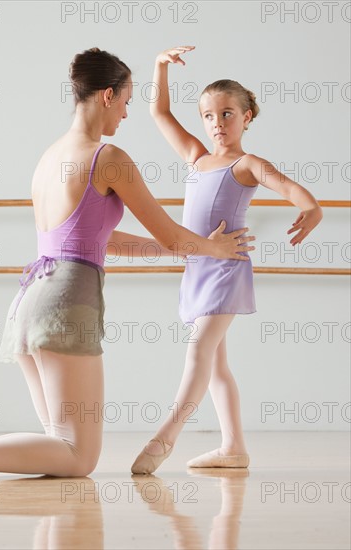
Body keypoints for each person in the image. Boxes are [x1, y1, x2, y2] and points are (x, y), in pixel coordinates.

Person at [0, 48, 255, 483]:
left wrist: (182, 250)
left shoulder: (49, 156)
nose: (127, 114)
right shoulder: (109, 158)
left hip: (29, 301)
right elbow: (171, 233)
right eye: (127, 102)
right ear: (108, 96)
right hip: (67, 304)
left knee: (61, 446)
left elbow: (99, 239)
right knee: (79, 457)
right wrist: (213, 249)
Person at [131, 46, 323, 474]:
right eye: (209, 116)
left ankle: (166, 437)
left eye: (228, 114)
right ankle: (233, 448)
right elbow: (159, 112)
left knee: (199, 351)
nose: (217, 123)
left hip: (226, 268)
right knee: (216, 363)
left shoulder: (247, 164)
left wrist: (311, 208)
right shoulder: (196, 158)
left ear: (247, 116)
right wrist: (160, 67)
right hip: (198, 266)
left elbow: (292, 189)